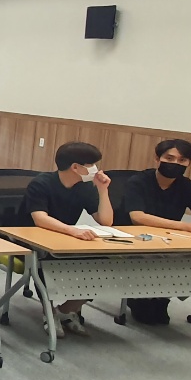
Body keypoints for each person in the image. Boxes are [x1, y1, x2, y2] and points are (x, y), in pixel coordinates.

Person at [124, 139, 191, 324]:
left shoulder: (186, 185)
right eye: (169, 158)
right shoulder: (139, 181)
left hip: (169, 239)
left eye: (182, 160)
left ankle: (162, 297)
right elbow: (137, 217)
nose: (175, 164)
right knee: (153, 259)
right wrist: (187, 226)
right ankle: (142, 297)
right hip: (137, 239)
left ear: (189, 163)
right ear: (157, 159)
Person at [21, 141, 114, 336]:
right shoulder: (41, 183)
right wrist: (72, 231)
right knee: (46, 262)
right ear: (75, 167)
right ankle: (48, 312)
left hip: (64, 239)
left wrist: (103, 190)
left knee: (104, 262)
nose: (95, 169)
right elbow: (40, 219)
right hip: (30, 240)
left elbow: (106, 220)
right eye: (91, 164)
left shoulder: (85, 187)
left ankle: (65, 311)